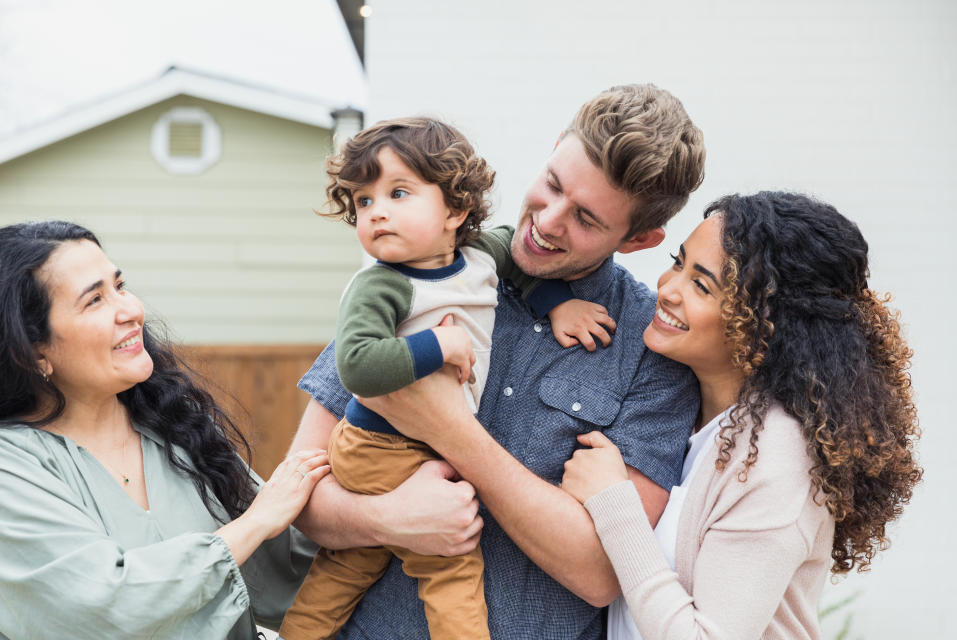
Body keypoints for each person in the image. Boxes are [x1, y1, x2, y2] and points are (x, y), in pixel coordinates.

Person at [290, 83, 707, 639]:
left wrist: (452, 431)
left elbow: (602, 573)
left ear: (638, 240)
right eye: (553, 184)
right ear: (555, 145)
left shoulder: (653, 350)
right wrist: (389, 519)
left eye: (586, 219)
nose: (549, 221)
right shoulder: (429, 267)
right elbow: (299, 494)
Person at [561, 192, 923, 639]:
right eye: (678, 262)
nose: (667, 288)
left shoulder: (778, 457)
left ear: (763, 325)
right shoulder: (686, 408)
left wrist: (614, 502)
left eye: (701, 285)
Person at [0, 220, 330, 639]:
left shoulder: (176, 428)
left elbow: (289, 571)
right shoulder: (12, 468)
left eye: (120, 286)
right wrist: (255, 522)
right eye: (95, 300)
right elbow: (102, 608)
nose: (131, 310)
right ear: (33, 352)